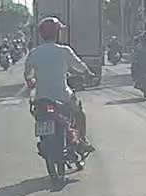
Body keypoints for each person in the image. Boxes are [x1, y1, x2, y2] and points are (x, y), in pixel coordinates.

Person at [25, 16, 94, 153]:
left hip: (41, 99)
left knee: (40, 116)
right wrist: (88, 74)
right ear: (56, 33)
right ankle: (82, 141)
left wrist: (31, 82)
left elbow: (28, 74)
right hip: (62, 96)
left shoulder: (34, 53)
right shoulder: (64, 51)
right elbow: (80, 67)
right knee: (79, 113)